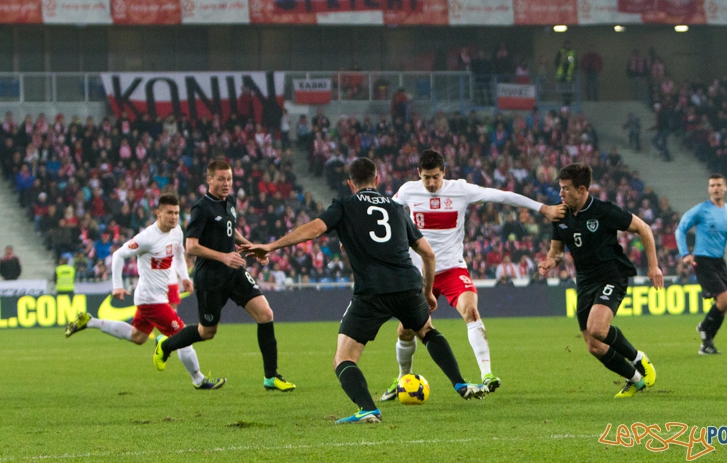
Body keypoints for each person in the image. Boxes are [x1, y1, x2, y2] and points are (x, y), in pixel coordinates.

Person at [239, 157, 489, 424]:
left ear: (350, 183)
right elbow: (428, 254)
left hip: (372, 291)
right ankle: (460, 383)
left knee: (343, 358)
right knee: (427, 331)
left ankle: (368, 408)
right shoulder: (396, 207)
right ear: (377, 180)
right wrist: (427, 292)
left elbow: (313, 230)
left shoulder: (344, 205)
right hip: (408, 285)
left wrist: (271, 246)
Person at [380, 149, 565, 401]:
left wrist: (542, 208)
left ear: (444, 172)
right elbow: (384, 214)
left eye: (435, 176)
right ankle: (403, 377)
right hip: (419, 274)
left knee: (471, 311)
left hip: (453, 269)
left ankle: (487, 375)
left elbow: (503, 196)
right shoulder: (408, 191)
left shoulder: (461, 190)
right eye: (426, 178)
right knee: (405, 330)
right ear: (418, 175)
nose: (432, 183)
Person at [151, 160, 295, 392]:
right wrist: (224, 257)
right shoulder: (201, 208)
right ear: (209, 180)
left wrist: (253, 247)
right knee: (207, 332)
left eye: (229, 178)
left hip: (234, 272)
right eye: (221, 179)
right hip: (210, 278)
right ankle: (165, 345)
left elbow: (230, 229)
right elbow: (191, 246)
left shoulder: (230, 202)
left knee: (266, 313)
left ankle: (271, 376)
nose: (226, 183)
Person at [64, 194, 224, 390]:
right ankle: (198, 379)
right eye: (169, 213)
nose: (174, 217)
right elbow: (118, 255)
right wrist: (117, 285)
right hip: (151, 300)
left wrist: (184, 277)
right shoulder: (147, 237)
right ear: (158, 213)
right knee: (183, 336)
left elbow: (179, 255)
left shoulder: (177, 231)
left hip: (156, 297)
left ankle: (90, 321)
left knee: (137, 337)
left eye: (176, 213)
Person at [538, 163, 662, 398]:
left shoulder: (604, 211)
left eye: (565, 189)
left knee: (597, 328)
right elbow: (556, 251)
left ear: (582, 189)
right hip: (585, 280)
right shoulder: (560, 215)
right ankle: (635, 380)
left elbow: (644, 229)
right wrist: (550, 262)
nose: (561, 194)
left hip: (612, 274)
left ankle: (639, 359)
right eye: (560, 188)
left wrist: (654, 266)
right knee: (593, 345)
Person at [675, 174, 727, 355]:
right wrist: (685, 253)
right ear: (709, 189)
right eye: (712, 185)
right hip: (702, 260)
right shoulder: (701, 210)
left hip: (719, 261)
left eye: (719, 185)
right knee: (723, 299)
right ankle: (703, 327)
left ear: (725, 188)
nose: (716, 188)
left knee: (724, 305)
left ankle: (707, 344)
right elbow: (681, 229)